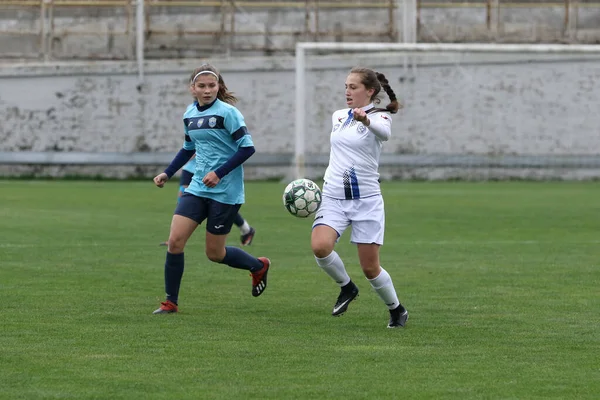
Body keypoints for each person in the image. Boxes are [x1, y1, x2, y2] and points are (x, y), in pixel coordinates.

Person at [152, 63, 270, 314]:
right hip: (197, 188)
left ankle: (258, 266)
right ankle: (170, 302)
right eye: (202, 86)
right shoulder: (189, 114)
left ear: (219, 87)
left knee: (215, 254)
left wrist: (219, 173)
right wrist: (167, 172)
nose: (207, 90)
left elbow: (247, 148)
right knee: (175, 242)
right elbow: (187, 148)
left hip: (226, 191)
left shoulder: (228, 113)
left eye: (212, 86)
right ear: (192, 88)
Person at [310, 67, 408, 328]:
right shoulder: (339, 116)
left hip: (366, 200)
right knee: (320, 246)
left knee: (370, 268)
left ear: (370, 91)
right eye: (346, 86)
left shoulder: (381, 117)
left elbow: (383, 133)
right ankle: (346, 287)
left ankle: (397, 309)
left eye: (353, 87)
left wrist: (366, 120)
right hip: (333, 196)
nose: (347, 92)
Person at [159, 156, 256, 247]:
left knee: (220, 206)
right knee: (182, 200)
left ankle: (246, 229)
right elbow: (189, 145)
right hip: (190, 168)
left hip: (207, 170)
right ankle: (175, 238)